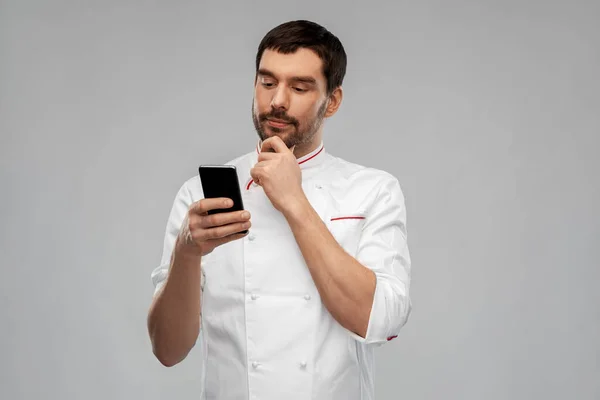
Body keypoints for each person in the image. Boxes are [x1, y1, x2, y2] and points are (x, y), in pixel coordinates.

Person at [147, 19, 412, 400]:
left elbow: (380, 321)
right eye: (267, 82)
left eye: (299, 87)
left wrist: (294, 201)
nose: (277, 101)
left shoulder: (373, 190)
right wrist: (186, 251)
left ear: (332, 101)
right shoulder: (200, 195)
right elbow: (167, 350)